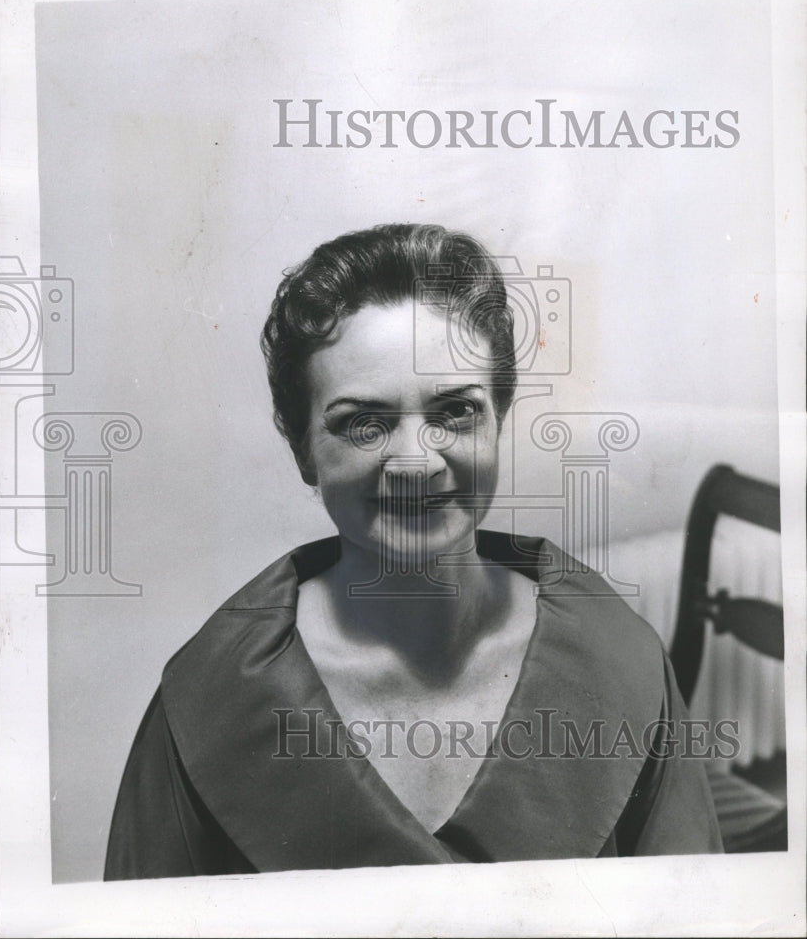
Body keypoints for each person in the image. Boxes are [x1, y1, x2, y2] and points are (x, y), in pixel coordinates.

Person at [104, 223, 721, 879]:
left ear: (499, 422)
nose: (415, 463)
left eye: (455, 412)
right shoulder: (210, 699)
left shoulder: (614, 658)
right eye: (362, 423)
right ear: (304, 453)